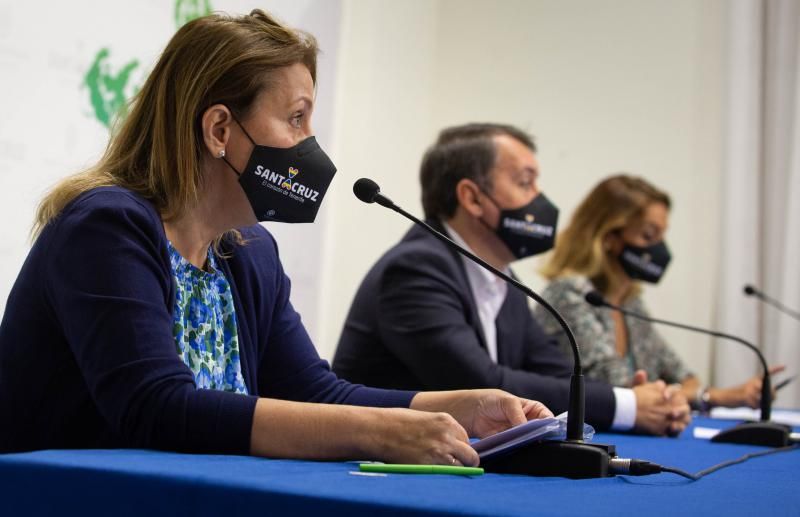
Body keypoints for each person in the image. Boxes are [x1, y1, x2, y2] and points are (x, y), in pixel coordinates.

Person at [0, 10, 554, 466]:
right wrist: (378, 432)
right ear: (220, 130)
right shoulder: (106, 226)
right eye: (296, 118)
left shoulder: (246, 250)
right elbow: (156, 407)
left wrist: (463, 407)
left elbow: (315, 392)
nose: (309, 144)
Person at [333, 123, 691, 436]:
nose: (540, 200)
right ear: (472, 198)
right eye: (525, 183)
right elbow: (485, 385)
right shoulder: (417, 268)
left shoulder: (503, 278)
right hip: (377, 469)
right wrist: (624, 405)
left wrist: (641, 399)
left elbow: (557, 370)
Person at [536, 175, 783, 411]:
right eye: (649, 235)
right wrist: (716, 396)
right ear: (609, 236)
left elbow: (685, 377)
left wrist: (693, 393)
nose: (659, 249)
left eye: (662, 236)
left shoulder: (630, 303)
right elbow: (617, 388)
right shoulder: (568, 294)